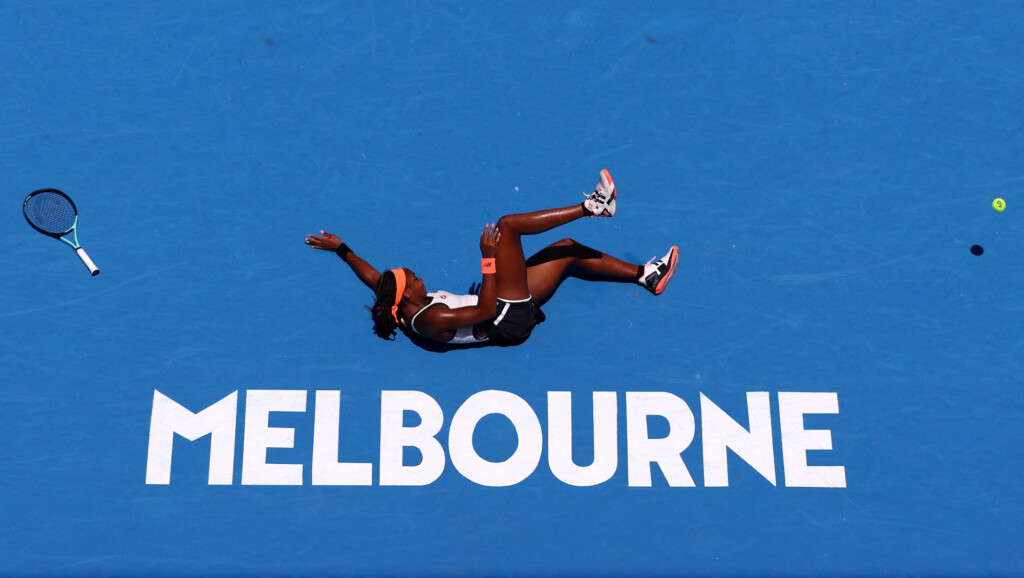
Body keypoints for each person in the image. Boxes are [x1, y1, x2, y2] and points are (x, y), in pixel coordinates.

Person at [305, 170, 678, 348]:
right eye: (414, 277)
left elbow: (373, 277)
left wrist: (342, 249)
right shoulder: (430, 316)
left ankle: (646, 275)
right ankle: (594, 207)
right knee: (508, 227)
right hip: (504, 316)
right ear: (409, 296)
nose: (419, 277)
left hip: (501, 304)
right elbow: (484, 311)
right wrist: (488, 261)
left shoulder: (399, 299)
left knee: (567, 250)